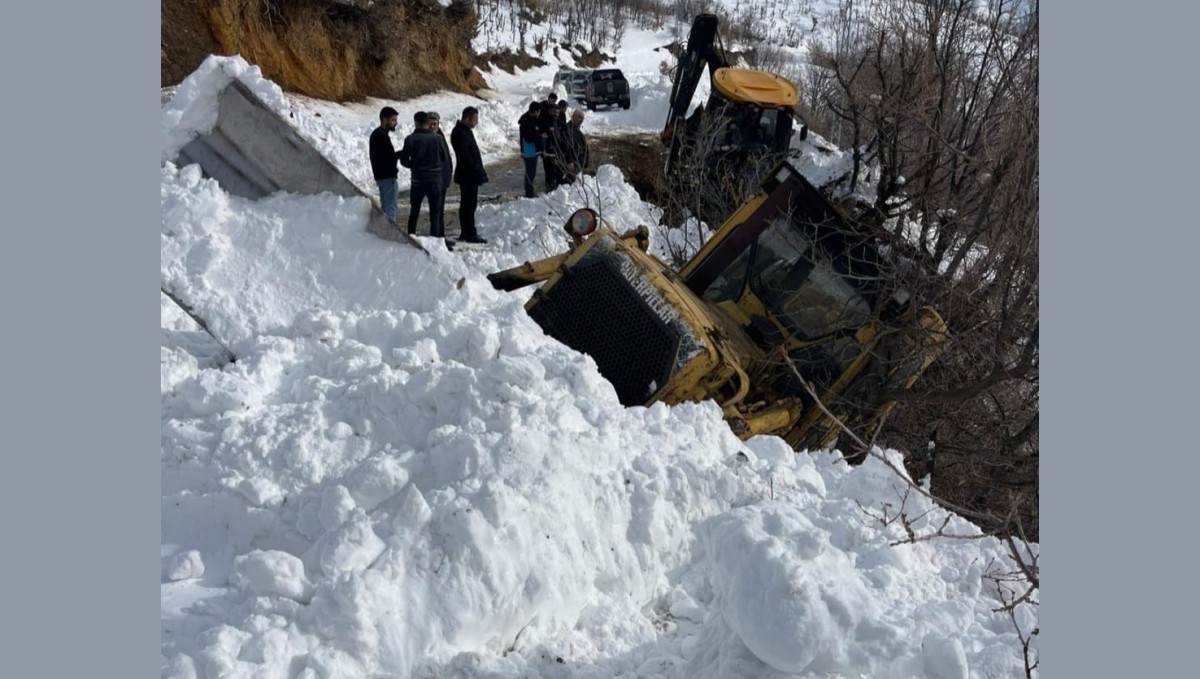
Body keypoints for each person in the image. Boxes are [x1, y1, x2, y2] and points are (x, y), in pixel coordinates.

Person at [399, 111, 449, 240]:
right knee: (435, 213)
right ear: (428, 123)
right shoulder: (438, 139)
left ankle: (411, 237)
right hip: (435, 180)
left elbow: (404, 160)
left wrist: (414, 165)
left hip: (418, 180)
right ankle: (436, 240)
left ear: (416, 123)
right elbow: (444, 158)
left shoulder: (410, 139)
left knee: (414, 211)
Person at [450, 106, 489, 244]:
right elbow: (465, 156)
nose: (476, 122)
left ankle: (468, 231)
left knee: (469, 204)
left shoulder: (465, 130)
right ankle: (469, 233)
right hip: (467, 175)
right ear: (466, 119)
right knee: (468, 205)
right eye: (474, 119)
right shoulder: (459, 132)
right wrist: (476, 167)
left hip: (470, 174)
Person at [369, 106, 403, 220]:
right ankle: (389, 236)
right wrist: (400, 154)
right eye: (393, 120)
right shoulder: (380, 136)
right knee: (390, 212)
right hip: (387, 178)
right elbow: (387, 159)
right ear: (384, 119)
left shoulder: (379, 134)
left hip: (383, 177)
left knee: (387, 210)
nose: (396, 123)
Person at [427, 111, 454, 224]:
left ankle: (440, 236)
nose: (433, 126)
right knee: (436, 210)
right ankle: (437, 237)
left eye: (435, 123)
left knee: (440, 209)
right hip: (434, 180)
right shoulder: (426, 138)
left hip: (442, 179)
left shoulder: (440, 136)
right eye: (430, 124)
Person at [517, 101, 542, 198]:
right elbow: (529, 137)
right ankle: (529, 193)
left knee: (532, 172)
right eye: (538, 112)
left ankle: (530, 191)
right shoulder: (526, 121)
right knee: (530, 172)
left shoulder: (531, 119)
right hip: (528, 150)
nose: (539, 114)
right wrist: (539, 136)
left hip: (532, 150)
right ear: (535, 111)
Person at [544, 101, 570, 191]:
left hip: (556, 153)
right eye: (554, 112)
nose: (556, 114)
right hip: (549, 153)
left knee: (557, 173)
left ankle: (554, 191)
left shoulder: (555, 121)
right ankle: (550, 192)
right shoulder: (547, 122)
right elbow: (551, 138)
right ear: (550, 111)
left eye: (558, 113)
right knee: (550, 174)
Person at [560, 109, 590, 185]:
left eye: (582, 118)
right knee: (569, 184)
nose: (581, 120)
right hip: (572, 163)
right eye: (579, 117)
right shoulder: (567, 129)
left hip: (579, 162)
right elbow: (566, 146)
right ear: (573, 117)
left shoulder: (576, 129)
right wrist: (570, 161)